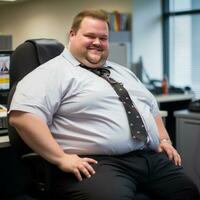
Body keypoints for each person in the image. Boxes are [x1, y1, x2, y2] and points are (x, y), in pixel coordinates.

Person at [9, 10, 199, 200]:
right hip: (97, 163)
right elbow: (23, 117)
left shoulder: (122, 71)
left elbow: (151, 107)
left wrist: (164, 140)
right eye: (90, 36)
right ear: (72, 35)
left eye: (103, 38)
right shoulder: (52, 73)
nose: (97, 42)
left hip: (148, 158)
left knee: (188, 193)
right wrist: (61, 158)